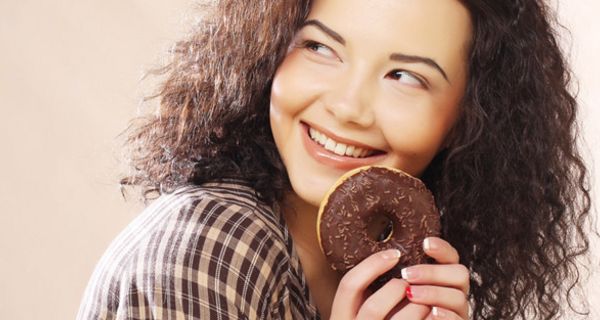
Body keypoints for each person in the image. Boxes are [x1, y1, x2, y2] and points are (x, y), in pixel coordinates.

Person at [77, 0, 593, 319]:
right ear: (270, 47)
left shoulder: (398, 288)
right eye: (321, 48)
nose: (346, 107)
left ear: (472, 117)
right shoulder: (213, 244)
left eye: (405, 77)